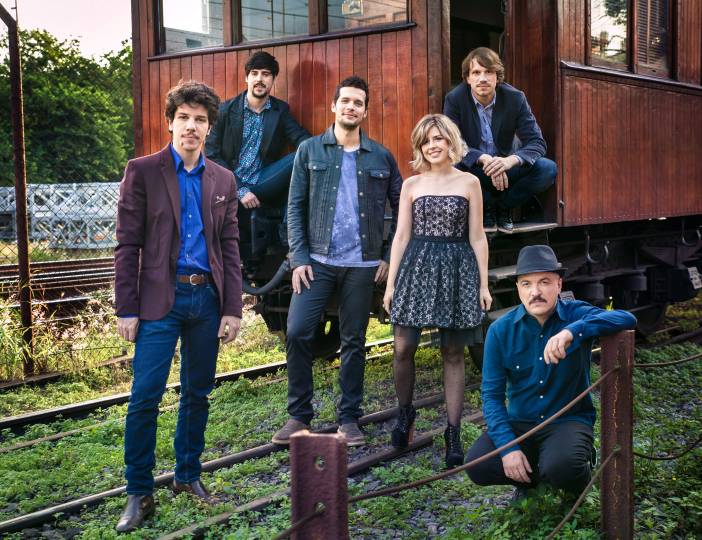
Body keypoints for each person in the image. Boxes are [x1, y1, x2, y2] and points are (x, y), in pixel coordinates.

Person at [114, 80, 242, 532]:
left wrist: (233, 308)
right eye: (184, 117)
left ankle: (188, 476)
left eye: (200, 120)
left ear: (209, 128)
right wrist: (126, 307)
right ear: (169, 122)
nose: (191, 126)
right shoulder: (143, 171)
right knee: (145, 396)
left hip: (206, 299)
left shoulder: (223, 179)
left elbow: (229, 246)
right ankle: (139, 492)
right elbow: (127, 244)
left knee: (197, 393)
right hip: (158, 300)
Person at [272, 75, 402, 447]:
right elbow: (294, 207)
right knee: (298, 331)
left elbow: (403, 208)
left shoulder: (380, 156)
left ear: (365, 111)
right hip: (316, 261)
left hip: (362, 265)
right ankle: (299, 416)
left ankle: (349, 419)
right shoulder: (309, 151)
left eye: (358, 102)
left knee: (354, 340)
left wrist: (388, 256)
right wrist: (299, 258)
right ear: (334, 106)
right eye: (345, 100)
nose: (351, 107)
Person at [465, 245, 637, 499]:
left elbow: (626, 318)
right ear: (518, 288)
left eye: (544, 282)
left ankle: (574, 475)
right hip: (521, 423)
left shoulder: (575, 314)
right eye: (526, 284)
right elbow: (491, 396)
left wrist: (573, 331)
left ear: (559, 284)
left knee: (562, 466)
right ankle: (531, 482)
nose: (535, 292)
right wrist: (508, 449)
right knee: (478, 464)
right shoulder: (500, 331)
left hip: (567, 420)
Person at [383, 114, 491, 468]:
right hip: (417, 265)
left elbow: (477, 236)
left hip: (458, 267)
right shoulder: (411, 185)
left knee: (453, 352)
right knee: (403, 347)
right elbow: (401, 235)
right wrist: (391, 283)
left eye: (438, 139)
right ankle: (405, 413)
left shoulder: (470, 182)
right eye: (426, 141)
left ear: (450, 142)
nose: (432, 146)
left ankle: (453, 432)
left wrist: (483, 283)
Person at [443, 47, 557, 233]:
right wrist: (483, 158)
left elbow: (537, 142)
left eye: (489, 72)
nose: (483, 78)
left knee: (547, 169)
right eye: (476, 72)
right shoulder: (455, 99)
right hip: (474, 169)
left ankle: (504, 206)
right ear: (468, 78)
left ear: (498, 77)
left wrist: (509, 161)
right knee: (450, 168)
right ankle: (485, 207)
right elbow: (453, 143)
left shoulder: (515, 98)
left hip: (507, 167)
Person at [205, 51, 310, 240]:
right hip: (231, 182)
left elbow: (302, 139)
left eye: (266, 74)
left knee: (302, 155)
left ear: (273, 79)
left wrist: (331, 147)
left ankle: (288, 235)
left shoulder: (280, 110)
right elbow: (211, 155)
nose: (259, 79)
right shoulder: (225, 110)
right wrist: (240, 189)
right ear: (246, 78)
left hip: (262, 181)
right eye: (254, 73)